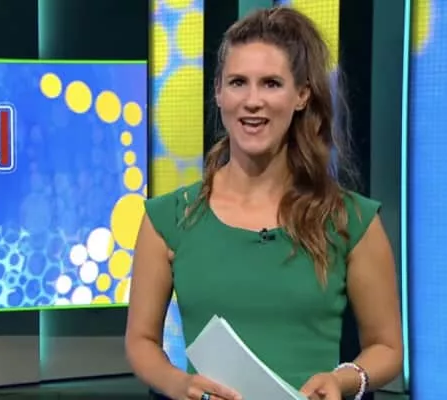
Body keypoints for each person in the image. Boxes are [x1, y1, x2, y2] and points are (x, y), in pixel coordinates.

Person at [125, 6, 403, 400]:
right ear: (219, 92)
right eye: (238, 82)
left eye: (271, 84)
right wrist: (180, 385)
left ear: (301, 95)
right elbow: (140, 341)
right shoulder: (169, 218)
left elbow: (387, 348)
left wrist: (343, 380)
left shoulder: (350, 219)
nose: (252, 100)